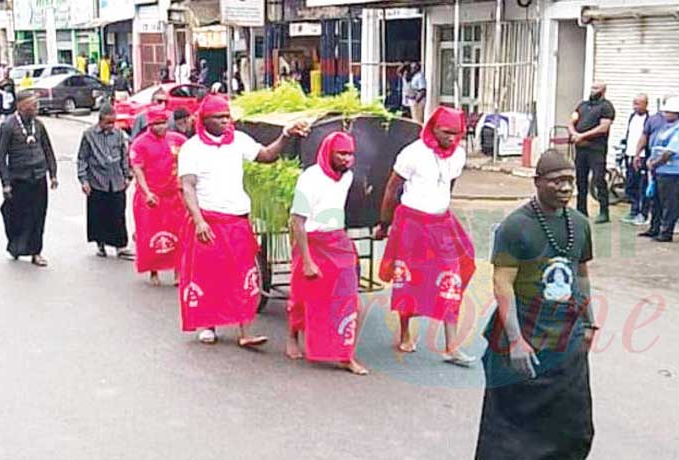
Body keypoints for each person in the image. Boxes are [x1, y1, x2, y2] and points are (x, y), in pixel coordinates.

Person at [475, 149, 597, 460]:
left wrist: (589, 320)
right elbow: (502, 284)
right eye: (557, 181)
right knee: (510, 430)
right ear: (537, 182)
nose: (566, 188)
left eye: (570, 181)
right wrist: (516, 340)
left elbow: (580, 275)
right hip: (523, 333)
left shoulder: (580, 224)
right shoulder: (515, 226)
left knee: (573, 424)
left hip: (565, 337)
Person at [176, 94, 310, 346]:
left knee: (243, 276)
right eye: (220, 117)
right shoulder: (191, 148)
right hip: (209, 221)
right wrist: (199, 220)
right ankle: (208, 324)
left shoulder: (238, 140)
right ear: (205, 120)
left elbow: (267, 155)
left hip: (237, 221)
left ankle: (245, 332)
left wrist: (286, 134)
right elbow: (188, 186)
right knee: (209, 276)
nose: (227, 121)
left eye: (228, 116)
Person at [375, 106, 477, 365]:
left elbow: (449, 185)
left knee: (451, 277)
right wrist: (384, 224)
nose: (452, 139)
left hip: (441, 223)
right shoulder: (413, 153)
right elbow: (391, 189)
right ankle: (406, 331)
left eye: (457, 134)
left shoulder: (458, 155)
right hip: (412, 223)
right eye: (446, 132)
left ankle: (452, 346)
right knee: (410, 279)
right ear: (433, 128)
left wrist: (442, 207)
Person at [285, 132, 368, 375]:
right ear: (328, 152)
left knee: (350, 300)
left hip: (337, 240)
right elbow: (297, 221)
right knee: (302, 296)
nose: (347, 160)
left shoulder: (347, 177)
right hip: (311, 241)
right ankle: (292, 337)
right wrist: (307, 260)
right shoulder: (309, 178)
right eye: (341, 154)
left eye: (351, 155)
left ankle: (345, 354)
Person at [0, 92, 59, 267]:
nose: (36, 107)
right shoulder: (8, 126)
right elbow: (1, 157)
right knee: (17, 216)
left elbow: (48, 149)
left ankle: (36, 252)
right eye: (33, 104)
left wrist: (53, 174)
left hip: (38, 177)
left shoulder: (38, 125)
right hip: (18, 179)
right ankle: (16, 246)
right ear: (21, 106)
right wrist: (6, 183)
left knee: (38, 215)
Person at [131, 107, 188, 285]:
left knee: (179, 234)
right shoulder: (139, 144)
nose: (161, 127)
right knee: (150, 234)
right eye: (157, 124)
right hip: (151, 198)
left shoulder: (177, 140)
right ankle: (153, 272)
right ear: (149, 125)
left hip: (174, 197)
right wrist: (147, 192)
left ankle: (178, 273)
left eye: (163, 123)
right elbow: (138, 170)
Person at [77, 104, 134, 260]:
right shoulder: (89, 135)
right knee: (98, 214)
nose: (110, 126)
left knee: (118, 213)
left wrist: (128, 176)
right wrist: (84, 180)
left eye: (113, 122)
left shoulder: (119, 134)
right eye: (108, 123)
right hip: (97, 180)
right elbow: (82, 158)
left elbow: (124, 156)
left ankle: (120, 246)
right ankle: (100, 244)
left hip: (116, 180)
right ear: (100, 121)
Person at [640, 97, 679, 243]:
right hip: (659, 170)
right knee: (656, 201)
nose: (665, 115)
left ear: (677, 113)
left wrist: (655, 163)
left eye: (668, 112)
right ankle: (654, 229)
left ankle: (666, 232)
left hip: (671, 171)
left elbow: (670, 151)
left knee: (669, 203)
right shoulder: (667, 127)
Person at [568, 82, 616, 223]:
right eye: (592, 88)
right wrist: (574, 133)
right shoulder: (582, 105)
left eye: (596, 88)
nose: (593, 91)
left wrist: (582, 136)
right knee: (580, 180)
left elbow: (603, 127)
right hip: (581, 149)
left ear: (603, 91)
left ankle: (603, 212)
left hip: (596, 149)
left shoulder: (606, 107)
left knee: (598, 179)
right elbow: (571, 121)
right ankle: (581, 210)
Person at [621, 93, 650, 225]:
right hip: (630, 154)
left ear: (645, 104)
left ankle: (642, 212)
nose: (635, 106)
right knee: (630, 184)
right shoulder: (632, 117)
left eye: (638, 104)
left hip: (642, 156)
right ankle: (633, 209)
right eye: (634, 103)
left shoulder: (649, 119)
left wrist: (641, 155)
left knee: (642, 185)